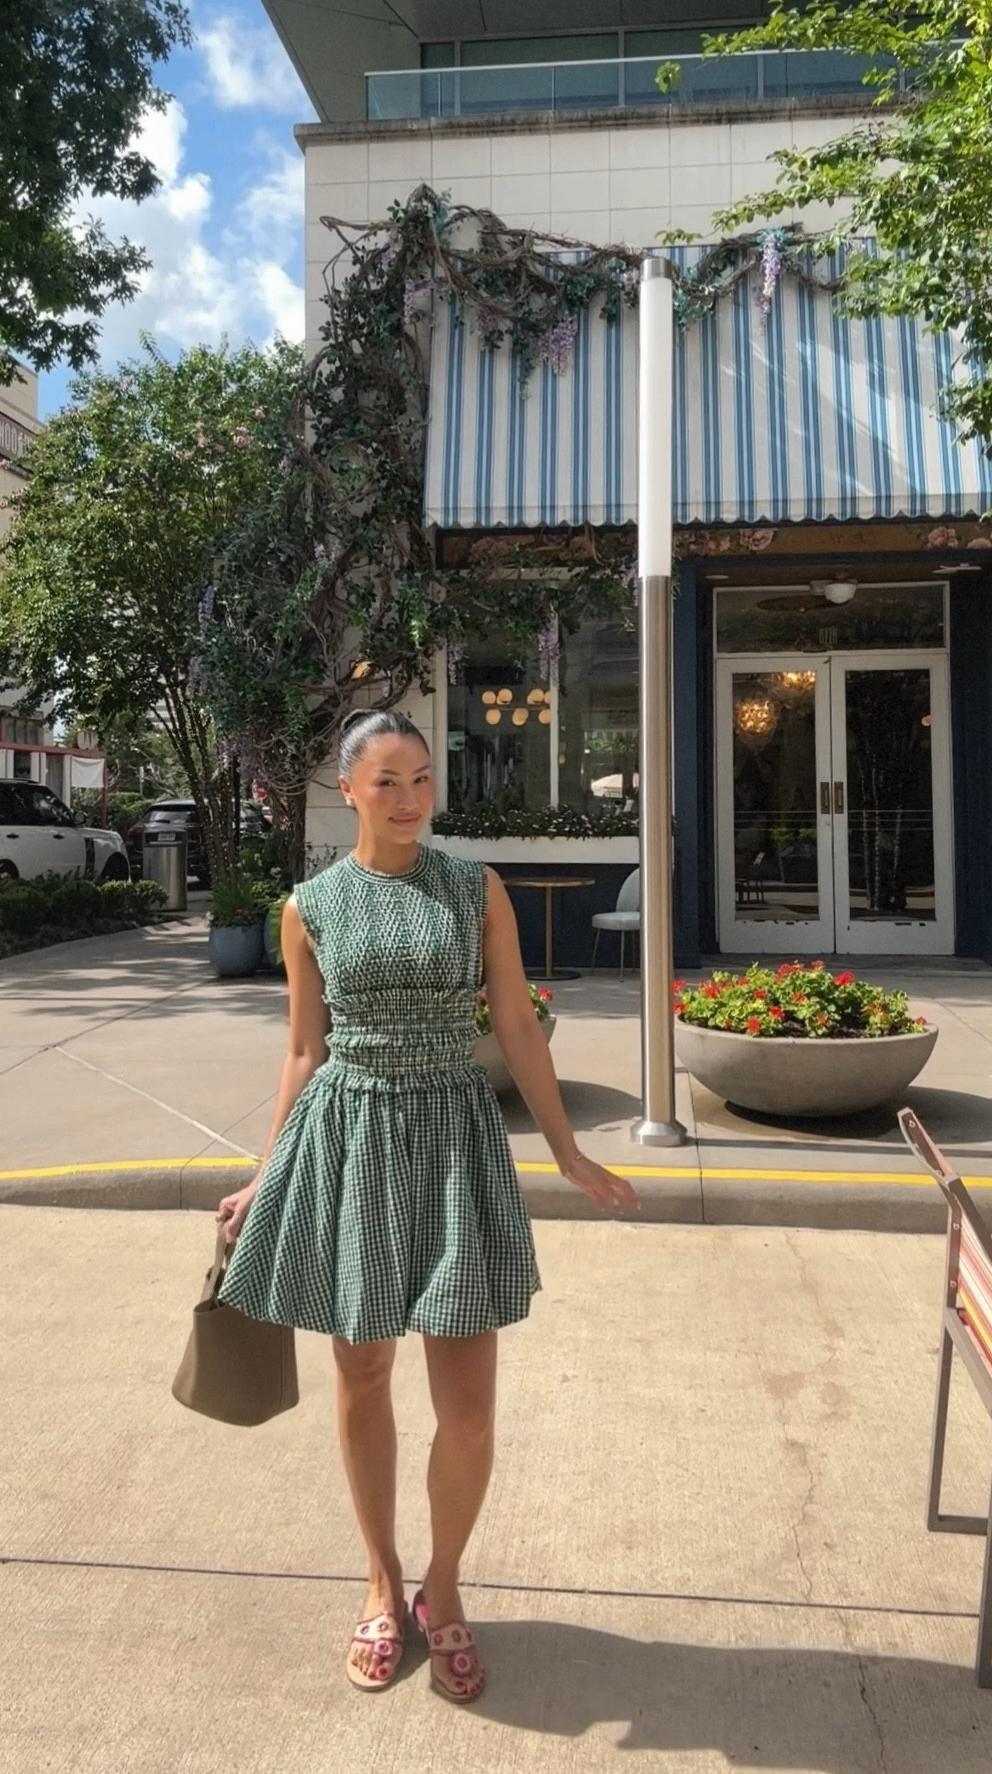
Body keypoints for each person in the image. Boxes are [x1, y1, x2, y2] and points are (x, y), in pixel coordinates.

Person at [215, 709, 638, 1704]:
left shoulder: (472, 886)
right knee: (362, 1369)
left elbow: (520, 1028)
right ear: (349, 789)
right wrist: (267, 1167)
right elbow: (303, 1050)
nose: (408, 799)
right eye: (386, 780)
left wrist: (569, 1150)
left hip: (455, 1134)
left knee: (470, 1401)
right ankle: (380, 1578)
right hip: (352, 1133)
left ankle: (443, 1585)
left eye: (421, 779)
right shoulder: (308, 904)